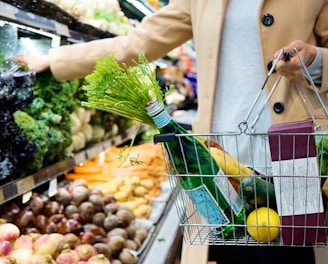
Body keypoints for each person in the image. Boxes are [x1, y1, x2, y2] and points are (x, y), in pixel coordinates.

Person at [14, 0, 328, 263]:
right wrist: (54, 59)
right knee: (234, 252)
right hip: (220, 163)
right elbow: (136, 44)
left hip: (294, 159)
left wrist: (314, 61)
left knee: (294, 253)